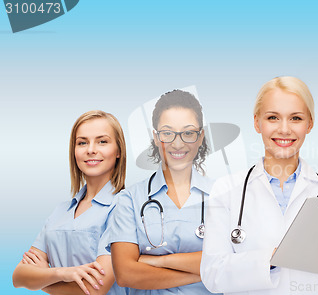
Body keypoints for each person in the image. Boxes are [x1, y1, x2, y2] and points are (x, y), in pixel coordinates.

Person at [200, 76, 318, 295]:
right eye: (273, 117)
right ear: (257, 122)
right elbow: (213, 275)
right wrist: (273, 258)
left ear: (309, 124)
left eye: (296, 118)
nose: (284, 129)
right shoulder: (226, 190)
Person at [106, 90, 215, 294]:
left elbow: (230, 261)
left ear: (200, 137)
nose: (178, 143)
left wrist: (159, 261)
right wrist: (204, 272)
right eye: (167, 133)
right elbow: (126, 274)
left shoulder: (223, 196)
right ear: (156, 137)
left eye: (188, 133)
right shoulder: (129, 200)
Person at [12, 110, 128, 295]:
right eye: (82, 142)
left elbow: (95, 287)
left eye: (102, 141)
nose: (90, 149)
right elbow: (18, 277)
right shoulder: (60, 212)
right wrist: (63, 273)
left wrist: (42, 279)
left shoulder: (124, 208)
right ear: (74, 151)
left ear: (119, 151)